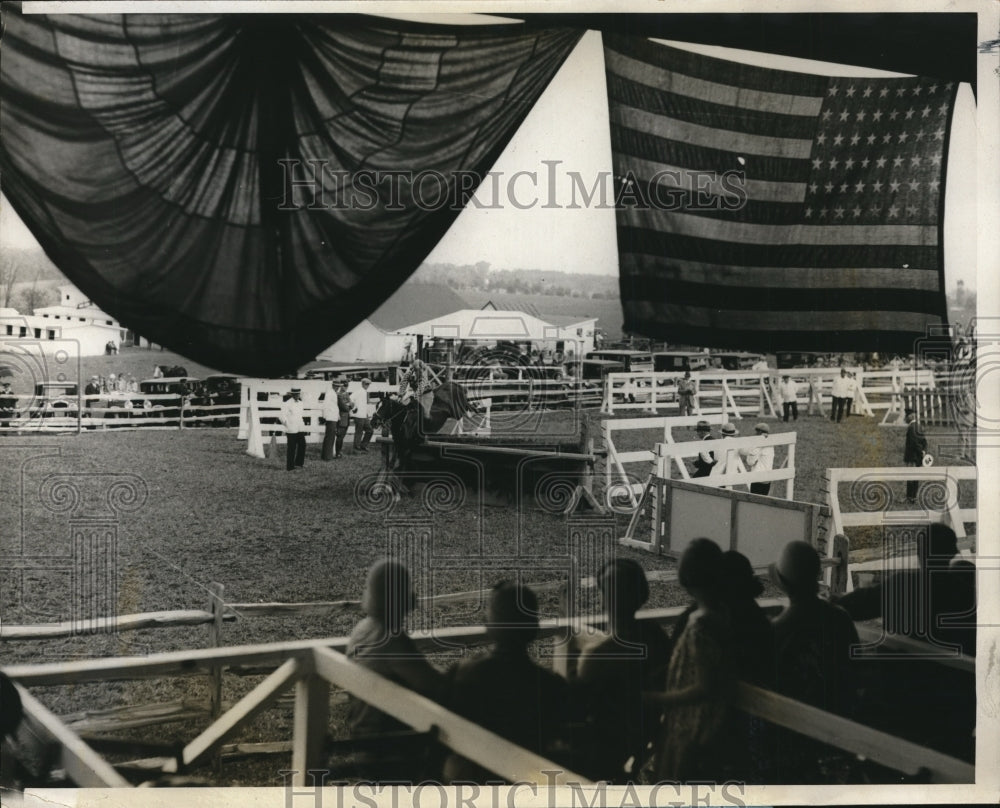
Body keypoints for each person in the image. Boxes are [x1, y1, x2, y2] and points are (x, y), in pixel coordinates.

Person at [443, 582, 571, 783]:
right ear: (534, 628)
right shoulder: (551, 687)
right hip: (528, 786)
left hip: (469, 784)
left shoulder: (462, 675)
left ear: (488, 624)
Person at [648, 538, 741, 782]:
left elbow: (704, 686)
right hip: (707, 726)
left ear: (686, 578)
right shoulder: (723, 613)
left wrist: (658, 698)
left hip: (690, 728)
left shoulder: (701, 624)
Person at [571, 560, 672, 782]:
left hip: (606, 749)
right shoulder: (656, 636)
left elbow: (578, 708)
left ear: (603, 599)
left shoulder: (597, 655)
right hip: (647, 738)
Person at [346, 560, 446, 781]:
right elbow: (434, 685)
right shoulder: (391, 638)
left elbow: (414, 671)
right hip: (391, 751)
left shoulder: (363, 630)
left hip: (365, 741)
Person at [769, 541, 859, 782]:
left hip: (791, 735)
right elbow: (853, 671)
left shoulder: (776, 631)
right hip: (837, 727)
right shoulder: (840, 619)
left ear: (783, 583)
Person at [834, 523, 975, 657]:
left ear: (921, 551)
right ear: (953, 553)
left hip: (902, 673)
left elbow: (858, 607)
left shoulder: (904, 584)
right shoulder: (964, 591)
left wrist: (834, 600)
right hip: (953, 675)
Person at [740, 422, 774, 495]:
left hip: (757, 478)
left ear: (760, 432)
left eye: (756, 432)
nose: (755, 434)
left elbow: (750, 462)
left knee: (754, 501)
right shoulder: (771, 444)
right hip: (767, 478)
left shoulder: (758, 443)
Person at [902, 408, 927, 503]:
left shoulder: (911, 427)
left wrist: (920, 451)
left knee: (910, 476)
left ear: (911, 416)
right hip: (919, 456)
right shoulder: (919, 426)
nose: (905, 418)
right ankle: (913, 497)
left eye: (906, 416)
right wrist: (924, 451)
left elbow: (914, 443)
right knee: (916, 476)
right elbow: (924, 441)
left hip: (912, 456)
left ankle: (910, 497)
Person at [279, 387, 306, 471]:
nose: (297, 395)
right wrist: (287, 424)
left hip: (299, 427)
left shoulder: (301, 403)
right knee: (292, 448)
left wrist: (302, 424)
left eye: (298, 393)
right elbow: (281, 416)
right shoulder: (287, 403)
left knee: (303, 444)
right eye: (296, 394)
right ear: (292, 394)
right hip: (291, 429)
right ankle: (290, 467)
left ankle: (299, 463)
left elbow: (300, 415)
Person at [353, 378, 375, 453]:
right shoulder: (358, 391)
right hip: (358, 415)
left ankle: (363, 445)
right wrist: (354, 408)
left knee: (370, 430)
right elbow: (350, 399)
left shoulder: (366, 392)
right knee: (359, 432)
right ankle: (356, 447)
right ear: (362, 384)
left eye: (368, 384)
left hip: (364, 416)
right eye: (366, 384)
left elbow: (366, 404)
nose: (367, 386)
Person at [335, 379, 355, 459]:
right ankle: (337, 452)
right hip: (341, 417)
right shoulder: (338, 395)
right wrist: (349, 405)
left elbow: (352, 404)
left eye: (347, 385)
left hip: (346, 417)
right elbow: (344, 407)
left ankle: (339, 451)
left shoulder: (346, 394)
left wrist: (349, 405)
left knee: (342, 435)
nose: (346, 387)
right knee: (340, 436)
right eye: (344, 385)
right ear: (341, 386)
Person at [320, 382, 339, 461]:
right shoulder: (330, 393)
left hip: (333, 417)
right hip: (330, 417)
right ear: (333, 386)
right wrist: (325, 416)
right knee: (329, 437)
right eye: (336, 386)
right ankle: (327, 456)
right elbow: (325, 405)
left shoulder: (333, 393)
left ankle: (327, 455)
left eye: (338, 386)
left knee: (330, 437)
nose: (337, 387)